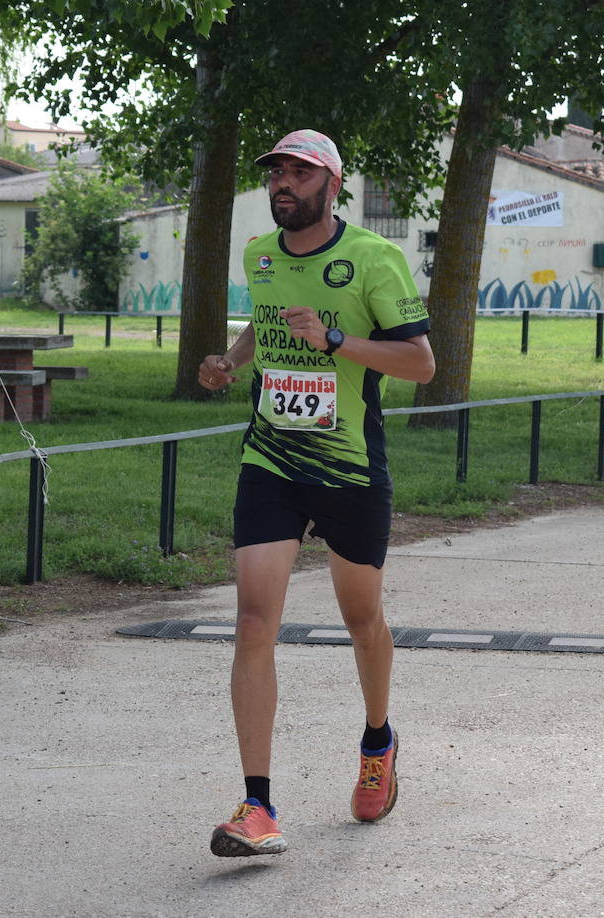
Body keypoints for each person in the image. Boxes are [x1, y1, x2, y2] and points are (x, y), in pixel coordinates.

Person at [199, 129, 435, 857]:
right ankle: (258, 806)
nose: (283, 184)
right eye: (276, 173)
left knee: (362, 617)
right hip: (270, 459)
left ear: (332, 184)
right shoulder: (259, 257)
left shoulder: (374, 259)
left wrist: (336, 342)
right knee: (251, 621)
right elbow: (265, 325)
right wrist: (232, 361)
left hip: (350, 469)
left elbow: (421, 363)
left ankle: (377, 741)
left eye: (299, 173)